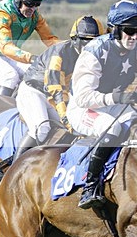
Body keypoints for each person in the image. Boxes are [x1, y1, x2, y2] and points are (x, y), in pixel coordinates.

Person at [68, 0, 137, 209]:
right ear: (114, 29)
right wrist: (117, 98)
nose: (134, 37)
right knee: (114, 127)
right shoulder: (94, 51)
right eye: (129, 31)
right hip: (83, 109)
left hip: (114, 104)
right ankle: (90, 185)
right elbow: (83, 97)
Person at [14, 15, 106, 159]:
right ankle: (15, 165)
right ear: (75, 39)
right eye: (86, 41)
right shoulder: (59, 53)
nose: (90, 47)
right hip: (35, 91)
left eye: (95, 42)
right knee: (42, 129)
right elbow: (55, 92)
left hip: (60, 94)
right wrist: (67, 120)